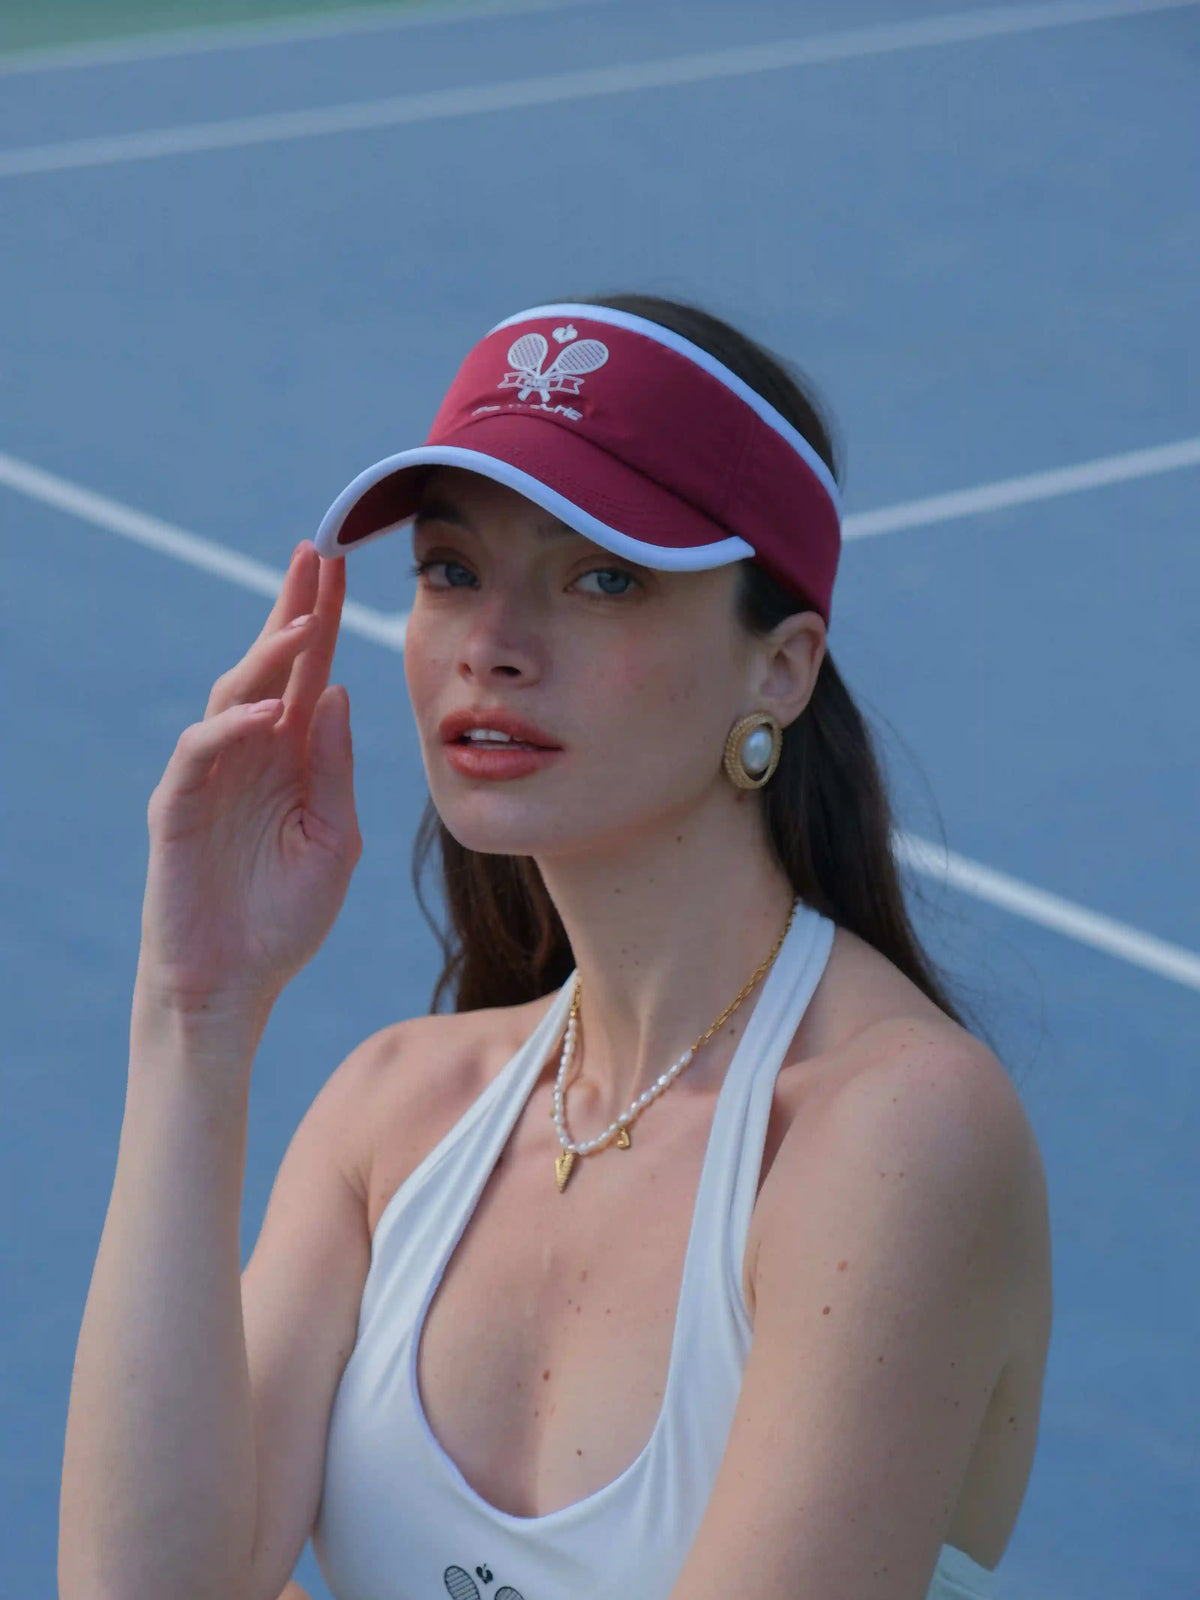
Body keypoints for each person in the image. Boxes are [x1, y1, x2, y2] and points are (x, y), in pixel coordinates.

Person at [59, 296, 1052, 1600]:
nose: (492, 647)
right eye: (450, 570)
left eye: (600, 578)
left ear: (783, 669)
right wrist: (194, 1016)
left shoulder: (895, 1132)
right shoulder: (393, 1116)